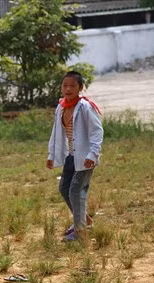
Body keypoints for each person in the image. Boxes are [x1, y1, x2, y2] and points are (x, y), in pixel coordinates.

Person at [47, 71, 103, 242]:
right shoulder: (61, 107)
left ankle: (80, 231)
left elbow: (97, 132)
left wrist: (93, 154)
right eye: (65, 85)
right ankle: (84, 220)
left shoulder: (86, 107)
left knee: (75, 190)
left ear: (80, 88)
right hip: (71, 156)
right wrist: (51, 154)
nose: (68, 89)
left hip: (85, 157)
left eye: (72, 85)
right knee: (64, 189)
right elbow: (55, 132)